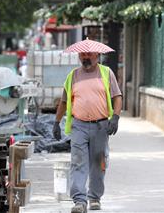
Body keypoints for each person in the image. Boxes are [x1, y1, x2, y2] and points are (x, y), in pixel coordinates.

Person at [53, 51, 122, 213]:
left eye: (89, 55)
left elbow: (117, 96)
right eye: (83, 55)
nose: (85, 58)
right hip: (79, 126)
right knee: (78, 162)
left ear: (97, 56)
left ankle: (95, 197)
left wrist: (116, 117)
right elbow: (64, 101)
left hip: (101, 126)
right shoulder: (73, 76)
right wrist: (56, 122)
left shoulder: (106, 72)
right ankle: (79, 201)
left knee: (99, 162)